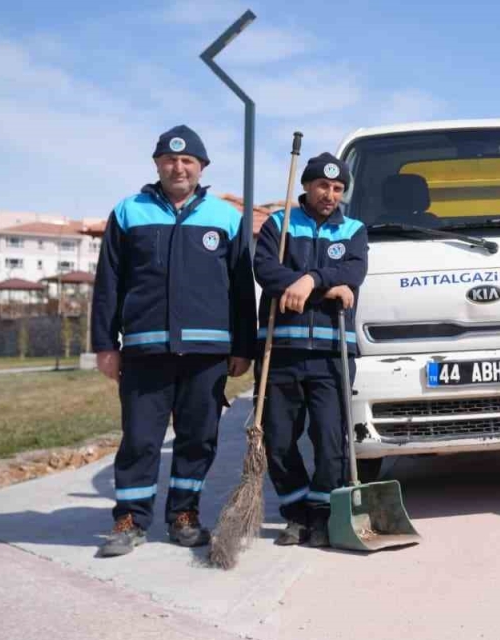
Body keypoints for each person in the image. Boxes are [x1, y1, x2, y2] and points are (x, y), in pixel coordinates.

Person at [91, 125, 257, 558]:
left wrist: (244, 346)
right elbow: (108, 283)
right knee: (140, 439)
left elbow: (242, 286)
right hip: (146, 351)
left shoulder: (225, 217)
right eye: (169, 159)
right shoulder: (129, 212)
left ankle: (184, 515)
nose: (177, 166)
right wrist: (105, 344)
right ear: (157, 164)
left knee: (197, 438)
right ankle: (129, 519)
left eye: (187, 161)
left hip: (208, 354)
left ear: (201, 167)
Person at [253, 152, 367, 548]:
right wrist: (320, 286)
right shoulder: (279, 225)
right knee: (279, 439)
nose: (330, 195)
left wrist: (309, 280)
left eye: (338, 189)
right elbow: (265, 270)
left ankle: (321, 515)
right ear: (306, 185)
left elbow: (353, 274)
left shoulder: (353, 229)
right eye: (323, 186)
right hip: (281, 348)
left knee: (331, 439)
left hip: (333, 351)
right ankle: (296, 514)